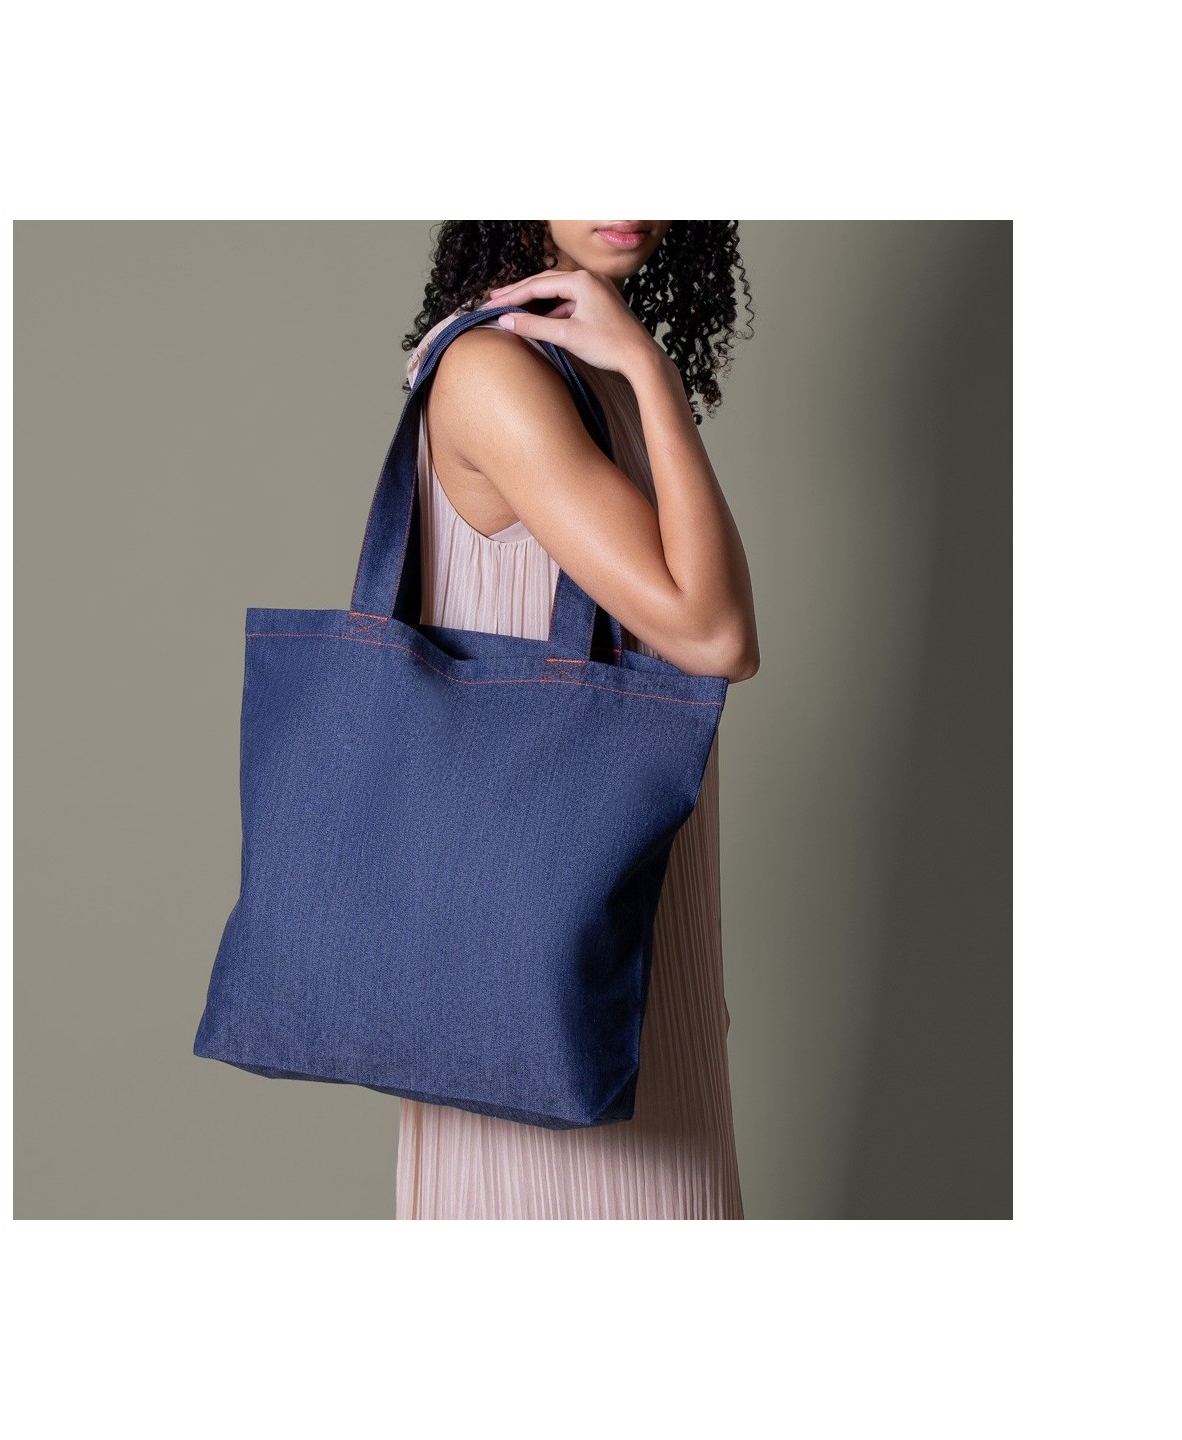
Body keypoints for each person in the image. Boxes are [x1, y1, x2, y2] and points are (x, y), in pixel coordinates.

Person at [395, 221, 760, 1220]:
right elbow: (716, 634)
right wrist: (654, 371)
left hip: (622, 948)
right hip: (530, 974)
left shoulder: (595, 367)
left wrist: (639, 370)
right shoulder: (494, 371)